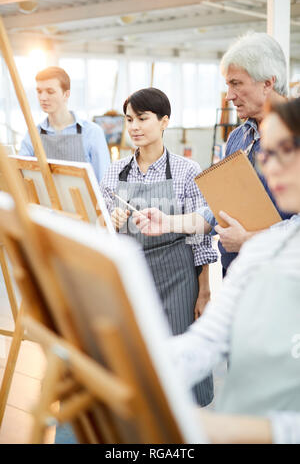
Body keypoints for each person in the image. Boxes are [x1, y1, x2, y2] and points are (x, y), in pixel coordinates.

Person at [167, 97, 300, 444]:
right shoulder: (264, 249)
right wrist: (134, 368)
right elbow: (208, 340)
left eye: (283, 150)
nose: (269, 167)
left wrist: (238, 431)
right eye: (265, 155)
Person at [133, 32, 294, 276]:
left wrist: (250, 240)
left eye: (236, 83)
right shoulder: (238, 138)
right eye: (228, 85)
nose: (229, 95)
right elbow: (217, 210)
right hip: (237, 273)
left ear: (268, 83)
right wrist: (168, 222)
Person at [100, 87, 218, 406]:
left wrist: (203, 290)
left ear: (164, 121)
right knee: (134, 360)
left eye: (142, 118)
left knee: (180, 361)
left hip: (177, 278)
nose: (134, 126)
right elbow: (99, 236)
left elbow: (201, 236)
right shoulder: (114, 172)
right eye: (129, 120)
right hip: (131, 279)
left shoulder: (187, 171)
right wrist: (110, 222)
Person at [19, 66, 110, 183]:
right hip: (45, 201)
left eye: (50, 92)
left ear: (66, 94)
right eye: (39, 91)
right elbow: (21, 174)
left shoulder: (92, 132)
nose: (43, 97)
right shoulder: (33, 134)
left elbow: (104, 182)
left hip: (84, 201)